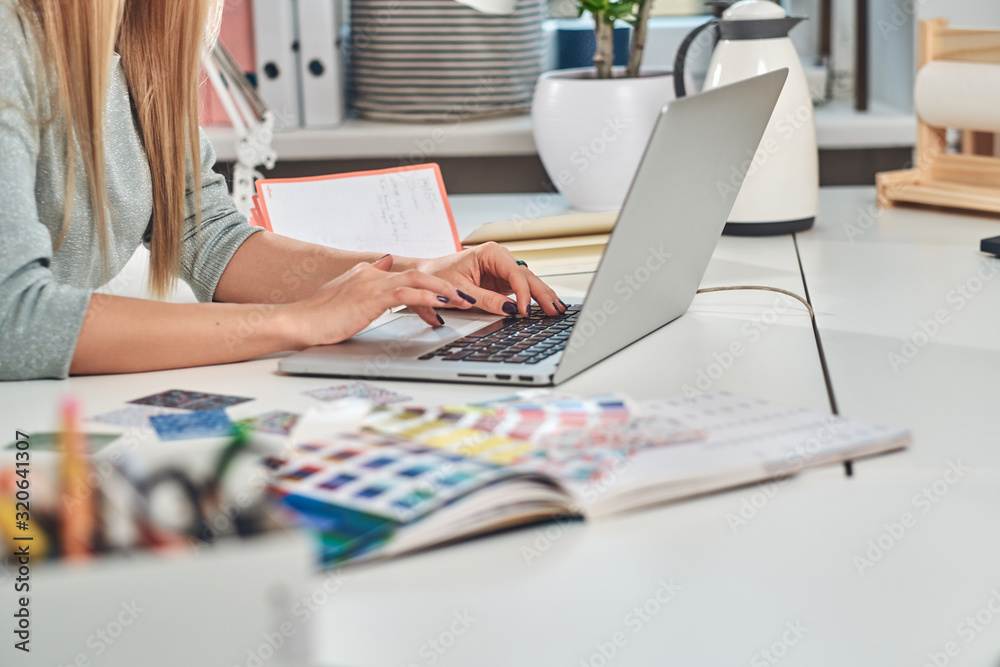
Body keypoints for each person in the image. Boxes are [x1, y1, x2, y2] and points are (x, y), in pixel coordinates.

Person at [0, 0, 564, 382]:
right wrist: (294, 323)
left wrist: (413, 278)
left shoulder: (140, 34)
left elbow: (206, 235)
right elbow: (14, 320)